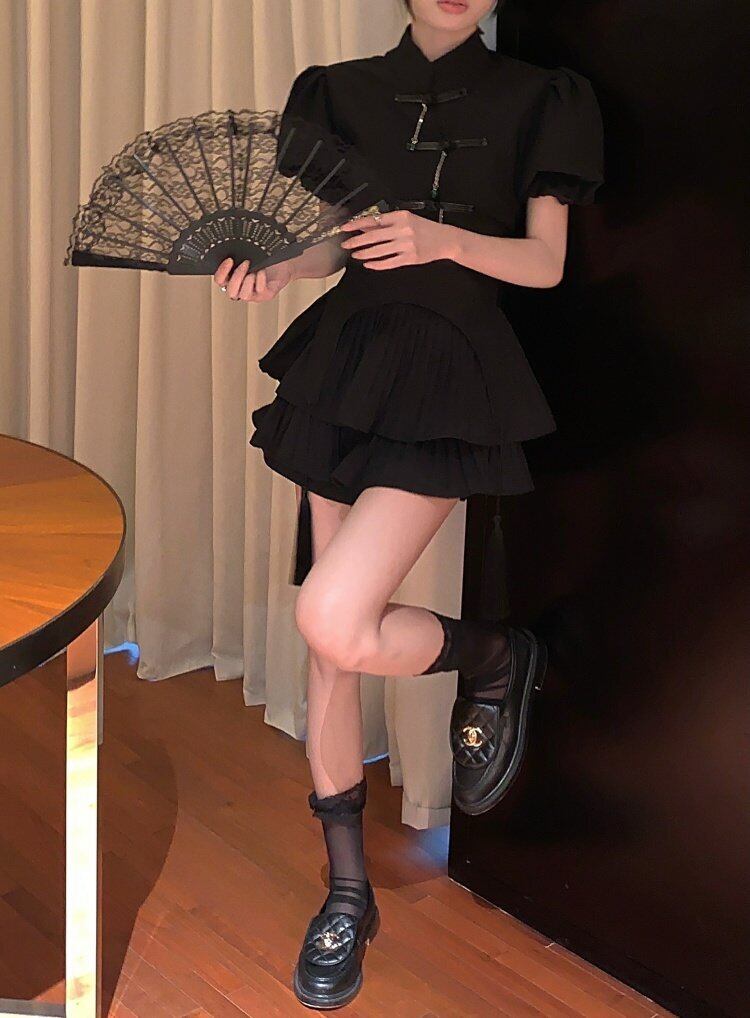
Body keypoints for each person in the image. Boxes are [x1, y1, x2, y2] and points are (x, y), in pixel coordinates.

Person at [215, 0, 604, 1008]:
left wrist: (443, 239)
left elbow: (544, 263)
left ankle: (496, 654)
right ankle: (347, 893)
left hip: (453, 371)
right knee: (329, 652)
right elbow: (334, 249)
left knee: (333, 616)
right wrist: (277, 267)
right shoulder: (337, 93)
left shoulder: (542, 98)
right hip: (344, 367)